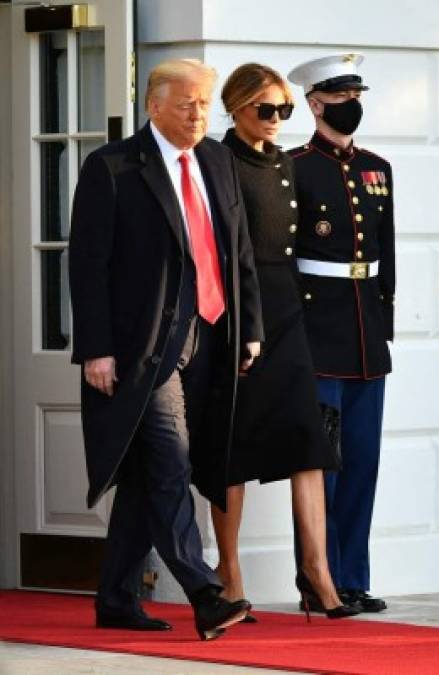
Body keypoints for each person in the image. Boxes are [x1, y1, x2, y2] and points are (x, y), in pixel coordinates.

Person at [68, 58, 264, 641]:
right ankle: (205, 591)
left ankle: (116, 597)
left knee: (148, 472)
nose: (199, 113)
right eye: (187, 104)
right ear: (153, 106)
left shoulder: (218, 160)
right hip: (142, 350)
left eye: (205, 104)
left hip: (210, 340)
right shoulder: (112, 167)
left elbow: (239, 250)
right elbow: (86, 265)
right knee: (171, 459)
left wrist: (249, 326)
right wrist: (96, 349)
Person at [210, 63, 359, 622]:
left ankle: (318, 575)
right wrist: (240, 327)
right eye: (264, 110)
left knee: (308, 442)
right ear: (236, 108)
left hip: (289, 309)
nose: (275, 121)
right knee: (235, 448)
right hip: (237, 314)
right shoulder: (217, 160)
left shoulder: (283, 162)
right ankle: (230, 576)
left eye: (284, 111)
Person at [287, 53, 395, 613]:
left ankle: (353, 577)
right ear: (314, 103)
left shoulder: (378, 168)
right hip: (316, 334)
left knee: (361, 462)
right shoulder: (294, 167)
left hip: (364, 337)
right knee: (320, 464)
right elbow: (282, 261)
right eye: (340, 98)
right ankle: (319, 580)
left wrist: (385, 325)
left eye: (357, 97)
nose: (352, 106)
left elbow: (386, 254)